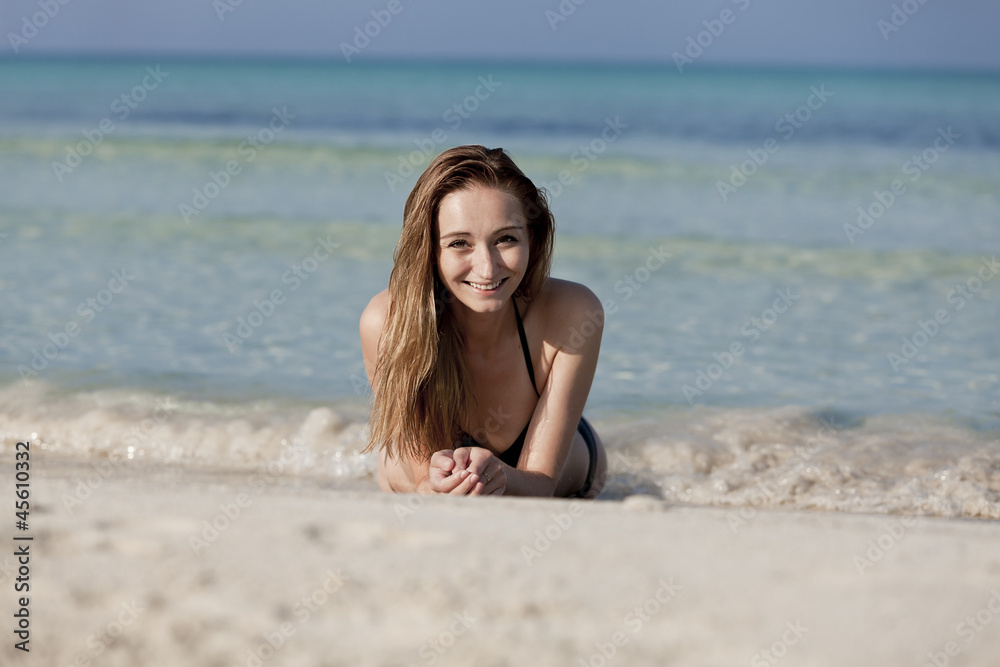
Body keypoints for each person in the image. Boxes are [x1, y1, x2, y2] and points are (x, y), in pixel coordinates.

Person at [360, 145, 607, 498]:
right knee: (393, 471)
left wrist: (504, 477)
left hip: (555, 458)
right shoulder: (388, 322)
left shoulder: (573, 311)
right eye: (460, 243)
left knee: (583, 478)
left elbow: (543, 483)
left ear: (532, 240)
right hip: (441, 459)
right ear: (430, 250)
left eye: (506, 239)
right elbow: (423, 481)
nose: (488, 268)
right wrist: (433, 485)